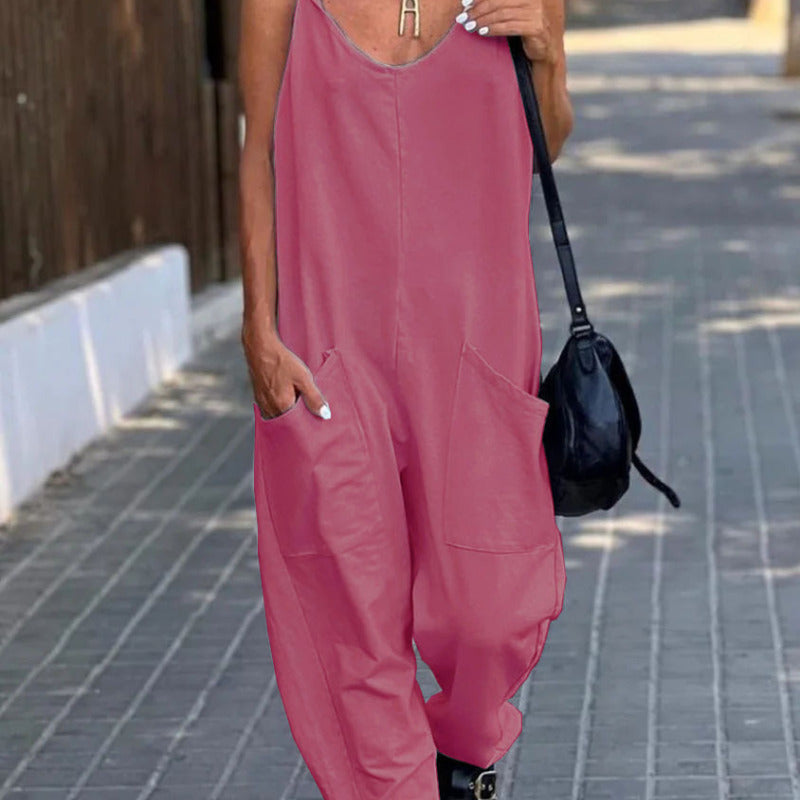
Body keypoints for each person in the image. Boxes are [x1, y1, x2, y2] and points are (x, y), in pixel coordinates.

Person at [238, 0, 573, 797]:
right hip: (328, 349)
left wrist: (548, 54)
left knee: (491, 612)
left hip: (478, 347)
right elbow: (258, 151)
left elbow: (544, 144)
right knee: (350, 615)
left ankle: (461, 756)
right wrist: (258, 329)